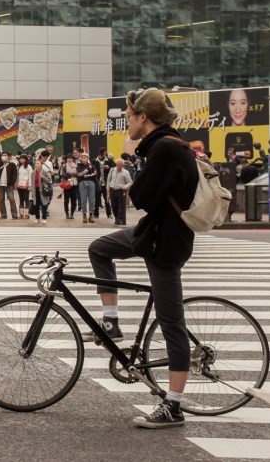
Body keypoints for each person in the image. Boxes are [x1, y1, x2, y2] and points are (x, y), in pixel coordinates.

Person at [87, 88, 198, 428]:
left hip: (164, 243)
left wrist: (136, 169)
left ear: (144, 118)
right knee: (99, 249)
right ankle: (111, 321)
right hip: (152, 234)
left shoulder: (164, 148)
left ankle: (174, 406)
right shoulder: (164, 146)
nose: (127, 125)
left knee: (171, 324)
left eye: (130, 117)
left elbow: (141, 196)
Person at [107, 157, 133, 226]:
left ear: (123, 165)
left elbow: (130, 182)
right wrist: (108, 189)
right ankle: (116, 218)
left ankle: (120, 219)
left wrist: (125, 187)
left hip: (120, 190)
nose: (119, 166)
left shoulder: (125, 172)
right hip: (112, 190)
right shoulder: (112, 170)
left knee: (120, 206)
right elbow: (108, 180)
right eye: (118, 165)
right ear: (116, 164)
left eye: (120, 165)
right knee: (113, 206)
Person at [76, 153, 98, 223]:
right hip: (82, 183)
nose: (84, 159)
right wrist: (88, 170)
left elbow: (95, 174)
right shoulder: (78, 166)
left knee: (91, 200)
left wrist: (86, 175)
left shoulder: (92, 166)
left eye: (85, 157)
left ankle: (91, 214)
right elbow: (79, 174)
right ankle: (84, 215)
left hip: (91, 183)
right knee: (83, 200)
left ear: (88, 158)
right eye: (82, 158)